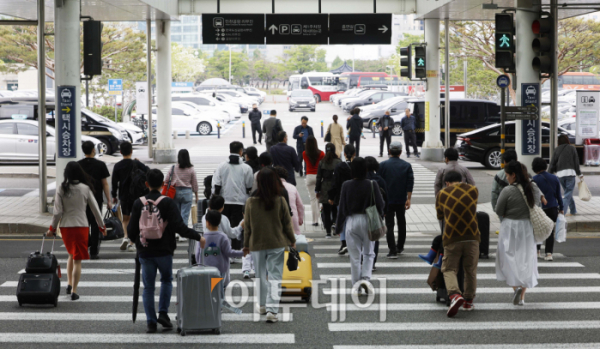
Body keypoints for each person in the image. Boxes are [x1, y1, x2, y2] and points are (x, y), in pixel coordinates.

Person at [127, 169, 205, 333]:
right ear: (163, 184)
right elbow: (180, 227)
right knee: (166, 280)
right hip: (164, 250)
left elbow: (131, 230)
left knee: (148, 287)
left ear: (147, 184)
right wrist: (197, 237)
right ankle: (163, 312)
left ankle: (151, 322)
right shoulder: (168, 202)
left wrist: (139, 243)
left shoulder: (138, 203)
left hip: (145, 251)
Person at [46, 162, 106, 301]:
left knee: (71, 254)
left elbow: (57, 212)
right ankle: (74, 291)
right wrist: (102, 226)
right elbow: (96, 209)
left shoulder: (61, 188)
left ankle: (68, 283)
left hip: (66, 227)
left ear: (66, 173)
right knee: (77, 259)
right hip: (81, 226)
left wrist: (52, 229)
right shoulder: (85, 188)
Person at [243, 168, 296, 323]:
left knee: (260, 275)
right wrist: (292, 240)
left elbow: (248, 226)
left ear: (258, 182)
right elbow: (287, 224)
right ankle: (272, 310)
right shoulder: (280, 200)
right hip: (277, 243)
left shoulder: (250, 202)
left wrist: (246, 245)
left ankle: (262, 305)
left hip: (257, 243)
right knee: (275, 276)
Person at [495, 160, 543, 306]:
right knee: (526, 260)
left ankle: (515, 288)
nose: (506, 178)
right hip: (527, 227)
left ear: (514, 175)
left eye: (507, 175)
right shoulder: (533, 187)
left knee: (507, 258)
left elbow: (499, 210)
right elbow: (537, 206)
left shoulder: (508, 190)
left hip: (510, 227)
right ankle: (521, 297)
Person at [336, 157, 384, 296]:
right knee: (369, 253)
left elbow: (342, 208)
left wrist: (339, 227)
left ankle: (356, 286)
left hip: (351, 221)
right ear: (366, 170)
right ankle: (366, 280)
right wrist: (380, 214)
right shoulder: (372, 184)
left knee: (355, 256)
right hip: (369, 220)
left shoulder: (346, 185)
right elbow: (380, 205)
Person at [435, 171, 480, 316]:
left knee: (449, 269)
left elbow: (440, 215)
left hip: (452, 237)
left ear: (447, 182)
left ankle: (455, 295)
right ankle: (468, 302)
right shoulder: (473, 190)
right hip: (472, 236)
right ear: (460, 180)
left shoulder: (442, 194)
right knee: (470, 270)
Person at [213, 141, 254, 251]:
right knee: (237, 227)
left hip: (223, 202)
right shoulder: (246, 168)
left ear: (230, 150)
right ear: (241, 152)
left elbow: (216, 184)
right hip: (239, 202)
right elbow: (249, 186)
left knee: (224, 227)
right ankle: (235, 250)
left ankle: (224, 248)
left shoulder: (221, 166)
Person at [111, 141, 149, 252]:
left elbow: (114, 183)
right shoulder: (136, 164)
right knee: (135, 218)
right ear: (131, 151)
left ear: (121, 152)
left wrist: (114, 196)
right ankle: (132, 243)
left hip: (124, 195)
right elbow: (148, 171)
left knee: (125, 218)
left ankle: (125, 237)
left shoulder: (118, 166)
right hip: (137, 195)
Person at [378, 141, 414, 258]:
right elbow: (410, 183)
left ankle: (392, 250)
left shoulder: (382, 165)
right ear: (401, 152)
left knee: (389, 225)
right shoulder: (406, 165)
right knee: (401, 222)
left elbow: (379, 184)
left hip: (387, 201)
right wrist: (408, 198)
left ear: (389, 151)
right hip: (401, 199)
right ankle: (400, 246)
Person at [78, 141, 111, 260]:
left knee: (84, 224)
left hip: (82, 199)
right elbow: (105, 184)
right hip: (96, 199)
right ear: (93, 150)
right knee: (96, 223)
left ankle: (86, 245)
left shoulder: (78, 165)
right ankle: (94, 252)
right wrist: (109, 200)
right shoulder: (100, 165)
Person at [197, 210, 245, 288]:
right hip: (220, 269)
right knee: (219, 290)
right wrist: (242, 252)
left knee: (207, 290)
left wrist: (199, 266)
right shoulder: (223, 237)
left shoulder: (201, 238)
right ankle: (220, 299)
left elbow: (197, 254)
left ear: (207, 223)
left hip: (205, 269)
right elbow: (229, 253)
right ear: (219, 222)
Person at [532, 157, 564, 261]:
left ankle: (537, 251)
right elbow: (559, 195)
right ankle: (549, 253)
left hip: (539, 209)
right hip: (552, 208)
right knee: (550, 230)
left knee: (537, 229)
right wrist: (561, 208)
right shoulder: (554, 178)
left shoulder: (534, 179)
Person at [329, 144, 357, 255]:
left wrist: (331, 197)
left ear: (344, 154)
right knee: (354, 220)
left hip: (341, 197)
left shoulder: (339, 166)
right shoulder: (357, 165)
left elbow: (335, 183)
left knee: (342, 220)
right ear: (354, 153)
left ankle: (344, 243)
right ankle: (354, 242)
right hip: (356, 197)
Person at [549, 134, 583, 216]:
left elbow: (552, 163)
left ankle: (573, 210)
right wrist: (579, 174)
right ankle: (562, 212)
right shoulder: (572, 148)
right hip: (570, 173)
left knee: (568, 193)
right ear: (567, 140)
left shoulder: (557, 149)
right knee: (568, 194)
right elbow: (576, 162)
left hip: (560, 174)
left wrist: (548, 174)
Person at [365, 156, 387, 272]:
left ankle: (363, 260)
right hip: (375, 212)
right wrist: (384, 211)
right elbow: (385, 197)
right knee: (375, 238)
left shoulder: (361, 179)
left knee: (363, 238)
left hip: (362, 212)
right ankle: (372, 263)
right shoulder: (379, 180)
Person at [316, 143, 342, 238]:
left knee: (326, 211)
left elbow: (319, 178)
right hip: (336, 187)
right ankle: (335, 223)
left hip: (325, 187)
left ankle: (328, 233)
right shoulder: (339, 161)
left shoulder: (322, 162)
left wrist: (317, 190)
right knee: (335, 208)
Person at [171, 149, 198, 233]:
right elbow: (194, 183)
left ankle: (176, 232)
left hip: (175, 193)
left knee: (176, 214)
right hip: (187, 193)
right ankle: (182, 233)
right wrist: (196, 195)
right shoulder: (191, 169)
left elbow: (167, 180)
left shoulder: (173, 168)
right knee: (185, 215)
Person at [275, 166, 305, 235]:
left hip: (276, 219)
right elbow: (300, 206)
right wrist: (300, 219)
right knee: (294, 238)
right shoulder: (292, 187)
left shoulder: (271, 187)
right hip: (292, 218)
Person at [303, 136, 325, 227]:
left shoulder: (304, 153)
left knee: (312, 199)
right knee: (319, 198)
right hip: (319, 177)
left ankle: (315, 220)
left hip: (309, 176)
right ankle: (321, 217)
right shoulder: (321, 154)